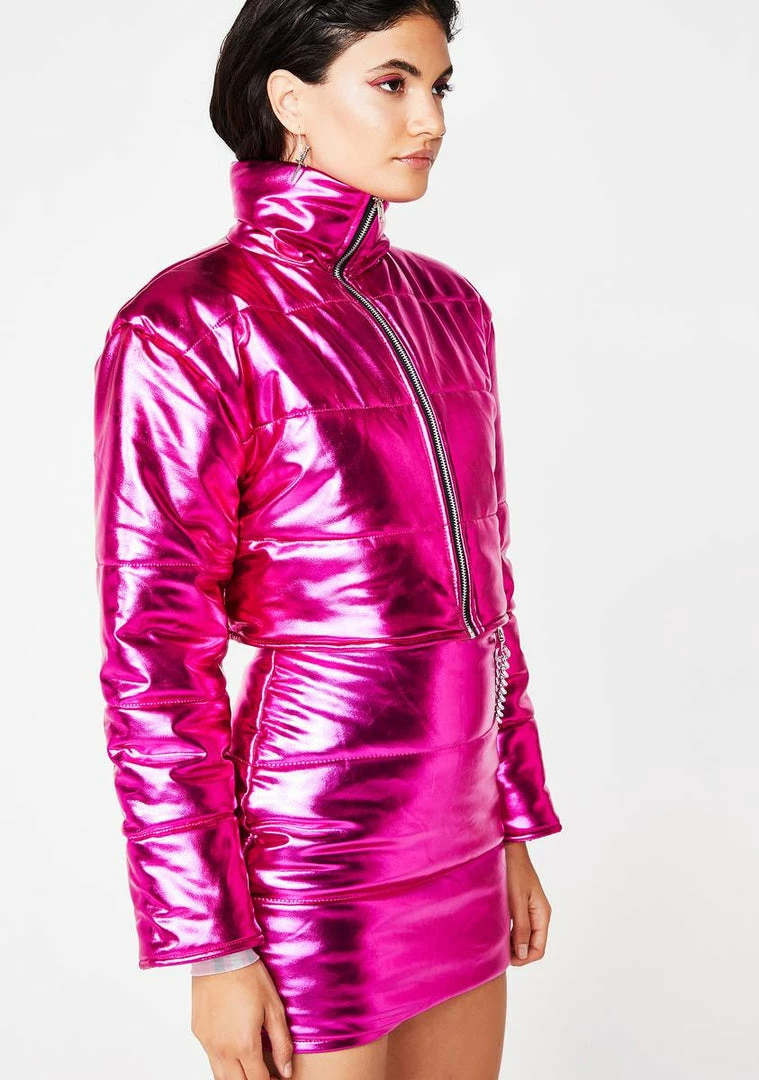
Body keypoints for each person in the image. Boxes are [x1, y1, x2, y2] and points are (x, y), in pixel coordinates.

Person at [92, 2, 563, 1078]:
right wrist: (210, 945)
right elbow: (153, 651)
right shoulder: (188, 324)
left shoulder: (452, 309)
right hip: (314, 854)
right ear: (290, 100)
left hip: (461, 834)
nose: (429, 119)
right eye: (391, 83)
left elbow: (489, 599)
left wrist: (511, 822)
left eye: (437, 87)